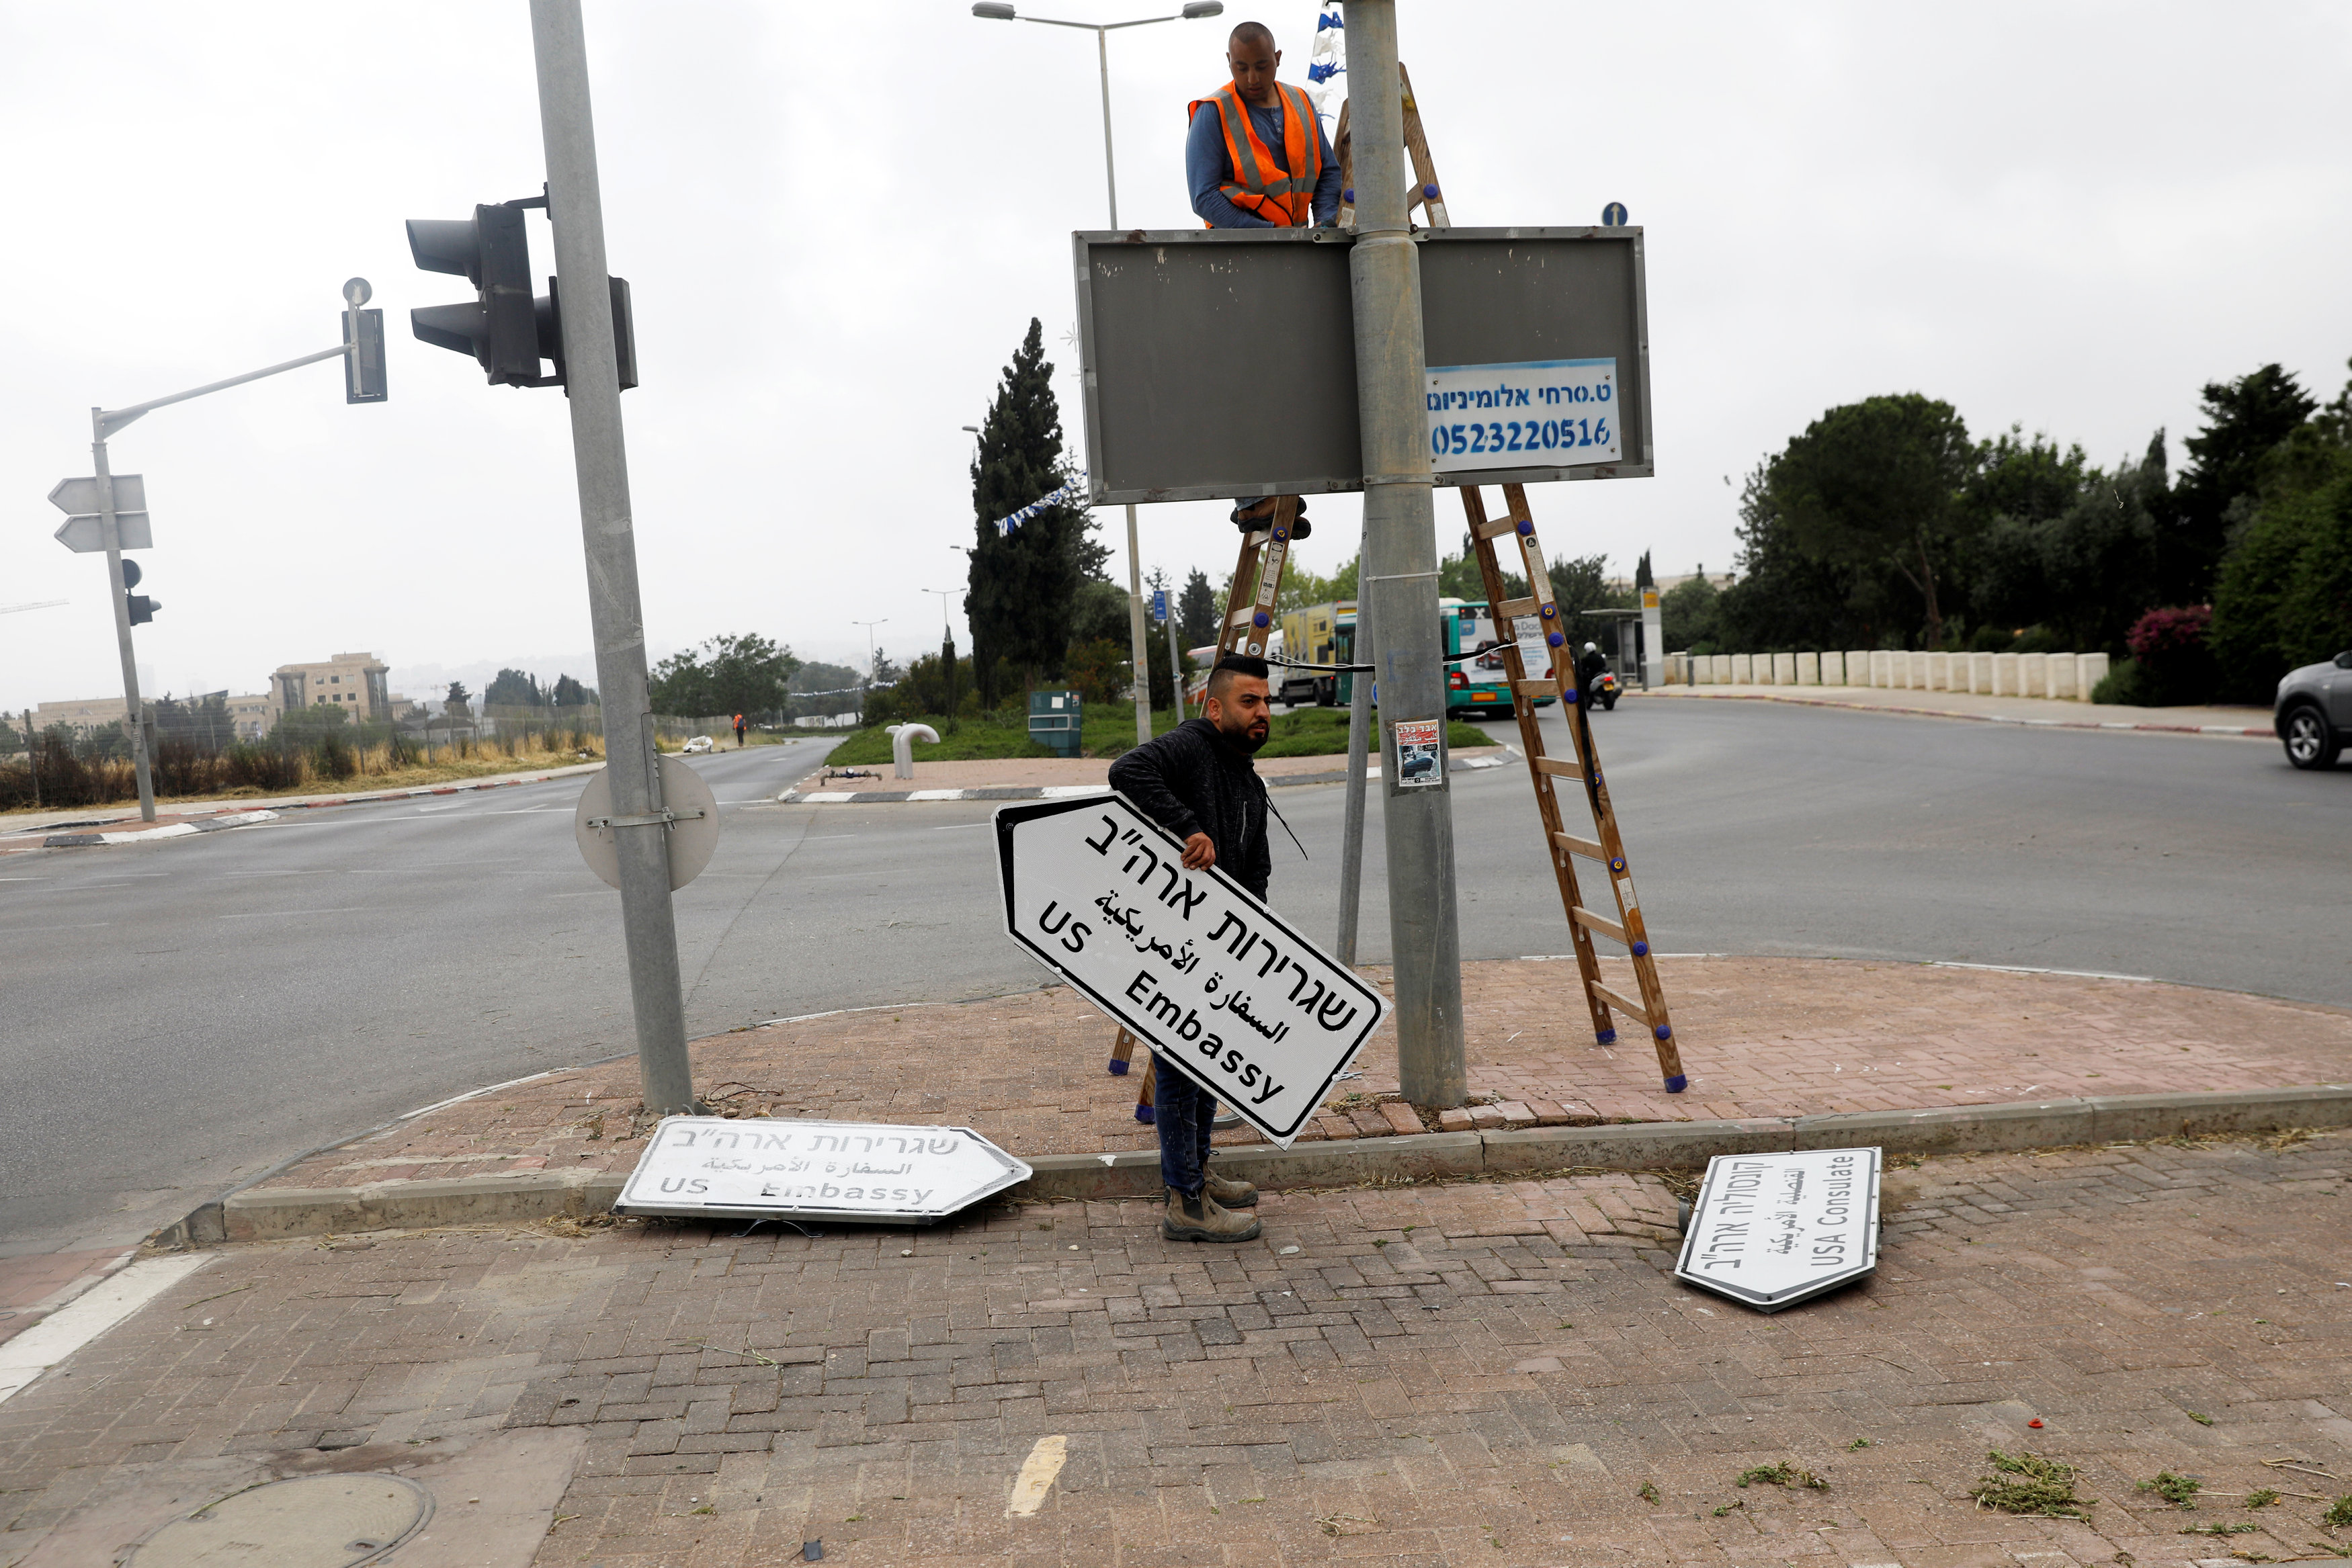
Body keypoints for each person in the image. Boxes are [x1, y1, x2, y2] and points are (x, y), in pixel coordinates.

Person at [1106, 654, 1277, 1243]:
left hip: (1221, 948)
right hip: (1175, 943)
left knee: (1205, 1060)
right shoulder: (1191, 744)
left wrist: (1254, 937)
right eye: (1249, 702)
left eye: (1266, 702)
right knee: (1181, 1064)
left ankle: (1197, 1172)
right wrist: (1187, 828)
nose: (1262, 713)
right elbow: (1127, 771)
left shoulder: (1244, 771)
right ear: (1214, 707)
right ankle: (1186, 1202)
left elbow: (1256, 858)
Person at [1188, 20, 1339, 543]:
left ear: (1278, 58)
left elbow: (1328, 173)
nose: (1251, 77)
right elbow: (1205, 198)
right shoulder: (1213, 114)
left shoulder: (1299, 105)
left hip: (1292, 260)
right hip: (1241, 265)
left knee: (1288, 376)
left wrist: (1321, 226)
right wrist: (1271, 239)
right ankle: (1253, 498)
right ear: (1228, 63)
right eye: (1240, 67)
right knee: (1248, 378)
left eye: (1261, 66)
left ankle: (1279, 489)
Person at [1577, 642, 1609, 711]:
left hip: (1592, 676)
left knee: (1584, 683)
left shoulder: (1586, 659)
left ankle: (1587, 696)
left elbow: (1583, 669)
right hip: (1602, 674)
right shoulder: (1600, 656)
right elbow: (1604, 665)